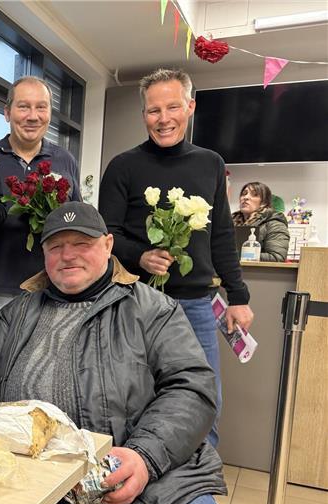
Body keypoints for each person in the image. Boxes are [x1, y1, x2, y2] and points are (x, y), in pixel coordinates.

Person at [0, 202, 255, 504]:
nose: (68, 255)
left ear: (108, 245)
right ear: (43, 254)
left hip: (132, 471)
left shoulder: (152, 308)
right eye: (56, 246)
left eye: (81, 243)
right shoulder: (19, 310)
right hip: (18, 469)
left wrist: (146, 455)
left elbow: (193, 387)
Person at [99, 67, 254, 447]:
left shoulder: (211, 164)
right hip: (137, 303)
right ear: (144, 116)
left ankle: (198, 488)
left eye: (173, 107)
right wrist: (142, 255)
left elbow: (220, 236)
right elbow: (106, 237)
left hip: (197, 306)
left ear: (190, 107)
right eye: (154, 111)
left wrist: (239, 297)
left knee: (205, 404)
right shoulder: (123, 166)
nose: (163, 119)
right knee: (133, 401)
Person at [0, 76, 81, 339]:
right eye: (24, 107)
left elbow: (75, 224)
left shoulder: (65, 161)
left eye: (41, 107)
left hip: (48, 293)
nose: (33, 116)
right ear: (7, 112)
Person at [232, 181, 290, 262]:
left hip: (256, 273)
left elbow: (277, 257)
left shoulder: (274, 224)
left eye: (254, 194)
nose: (246, 197)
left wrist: (240, 255)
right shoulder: (230, 221)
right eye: (244, 193)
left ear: (264, 202)